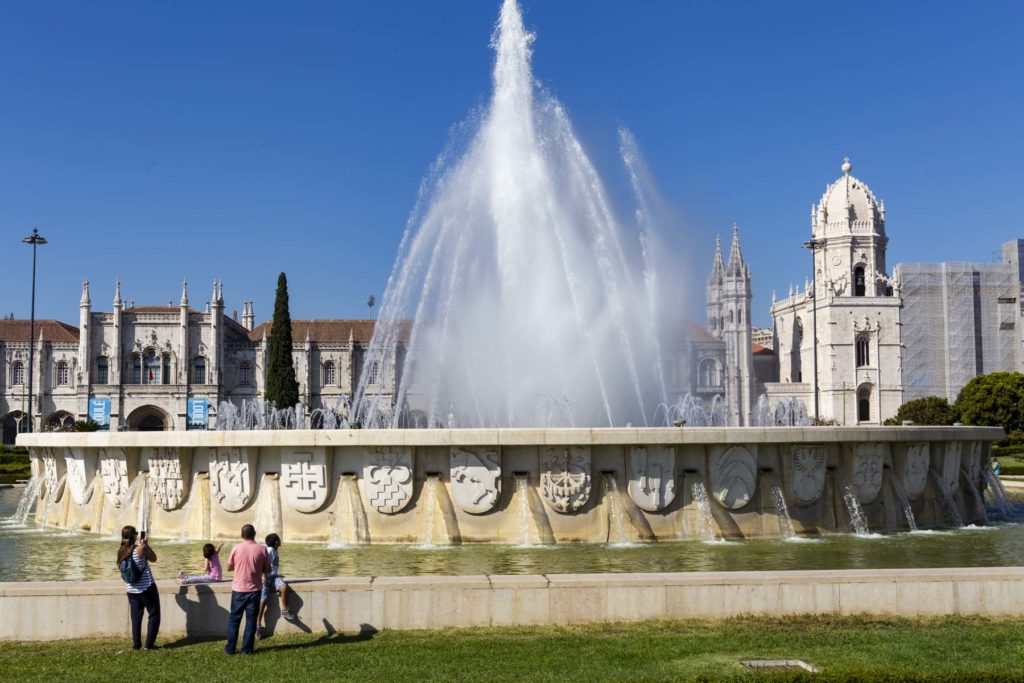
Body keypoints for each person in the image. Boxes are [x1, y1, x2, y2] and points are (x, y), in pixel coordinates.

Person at [225, 524, 270, 655]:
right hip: (255, 590)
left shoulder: (236, 548)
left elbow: (228, 567)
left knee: (234, 619)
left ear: (241, 535)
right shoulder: (262, 549)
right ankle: (247, 649)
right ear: (254, 534)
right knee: (251, 621)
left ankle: (230, 649)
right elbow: (268, 569)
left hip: (238, 590)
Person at [116, 525, 160, 651]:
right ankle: (149, 645)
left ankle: (136, 645)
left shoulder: (121, 551)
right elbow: (154, 558)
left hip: (131, 590)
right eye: (135, 533)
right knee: (154, 614)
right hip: (147, 587)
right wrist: (146, 545)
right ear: (134, 536)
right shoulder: (140, 549)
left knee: (136, 618)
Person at [256, 533, 294, 638]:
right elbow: (263, 565)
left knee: (283, 587)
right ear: (276, 542)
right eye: (279, 539)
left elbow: (271, 566)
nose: (280, 540)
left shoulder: (274, 551)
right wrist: (264, 577)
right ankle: (258, 625)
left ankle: (285, 610)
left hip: (274, 577)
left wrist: (277, 574)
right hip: (267, 578)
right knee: (263, 600)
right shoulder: (270, 551)